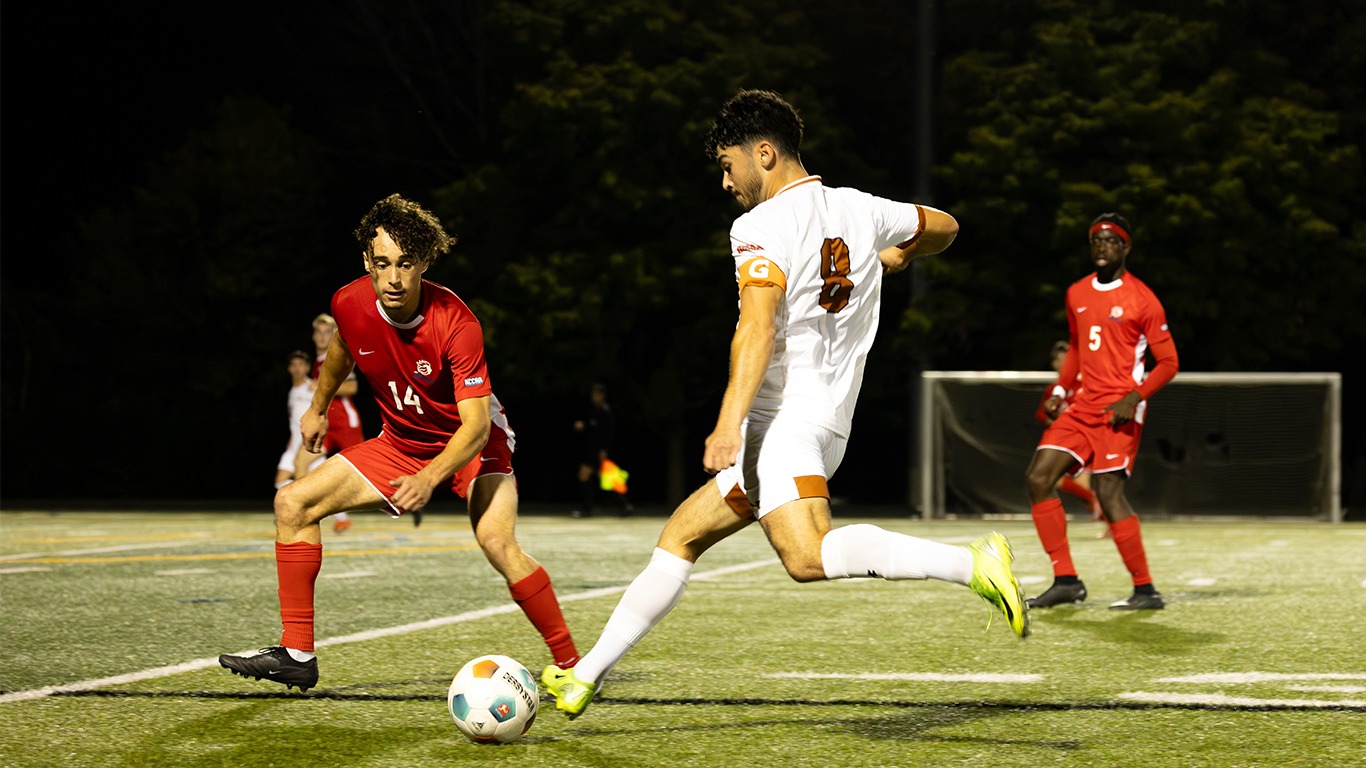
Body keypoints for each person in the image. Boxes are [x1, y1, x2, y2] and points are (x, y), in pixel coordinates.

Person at [541, 89, 1029, 720]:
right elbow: (946, 226)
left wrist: (725, 424)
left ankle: (971, 564)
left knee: (806, 557)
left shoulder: (759, 226)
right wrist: (899, 252)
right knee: (681, 537)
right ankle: (585, 676)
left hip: (786, 425)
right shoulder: (861, 208)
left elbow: (758, 327)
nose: (725, 182)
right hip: (823, 423)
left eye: (727, 164)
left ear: (763, 153)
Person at [219, 193, 579, 691]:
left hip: (476, 447)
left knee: (497, 542)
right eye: (382, 263)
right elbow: (345, 343)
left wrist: (431, 477)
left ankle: (573, 667)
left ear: (424, 263)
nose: (393, 278)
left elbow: (474, 426)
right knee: (292, 503)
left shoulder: (457, 323)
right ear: (367, 261)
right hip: (400, 446)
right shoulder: (349, 302)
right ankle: (297, 654)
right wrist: (319, 406)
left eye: (406, 264)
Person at [1024, 212, 1178, 611]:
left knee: (1109, 495)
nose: (1102, 247)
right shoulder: (1076, 292)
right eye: (1096, 240)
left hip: (1118, 411)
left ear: (1126, 247)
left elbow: (1169, 363)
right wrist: (1060, 389)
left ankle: (1146, 590)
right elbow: (1076, 348)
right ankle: (1066, 580)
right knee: (1039, 477)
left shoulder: (1143, 299)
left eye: (1111, 240)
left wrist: (1135, 397)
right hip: (1081, 406)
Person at [1034, 340, 1107, 538]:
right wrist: (1053, 420)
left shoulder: (1084, 384)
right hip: (1063, 440)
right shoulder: (1054, 389)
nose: (1064, 362)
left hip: (1084, 438)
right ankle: (1099, 510)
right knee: (1060, 482)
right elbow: (1041, 415)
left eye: (1067, 358)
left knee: (1101, 482)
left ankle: (1101, 512)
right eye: (1059, 360)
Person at [306, 313, 367, 533]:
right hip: (326, 425)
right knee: (307, 466)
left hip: (344, 424)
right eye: (318, 332)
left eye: (327, 332)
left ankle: (402, 498)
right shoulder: (316, 363)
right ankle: (331, 515)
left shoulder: (338, 357)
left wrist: (320, 388)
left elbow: (352, 388)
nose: (322, 336)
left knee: (364, 472)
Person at [571, 382, 633, 518]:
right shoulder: (594, 410)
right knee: (602, 479)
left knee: (589, 476)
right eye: (593, 394)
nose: (593, 397)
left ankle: (590, 508)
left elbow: (609, 433)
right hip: (592, 450)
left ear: (602, 395)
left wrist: (605, 449)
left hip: (598, 451)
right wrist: (583, 426)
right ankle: (623, 505)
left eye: (596, 394)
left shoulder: (605, 412)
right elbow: (592, 428)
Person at [273, 350, 326, 491]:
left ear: (307, 368)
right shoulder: (292, 391)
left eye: (301, 364)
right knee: (280, 483)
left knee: (310, 486)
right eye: (294, 365)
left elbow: (323, 414)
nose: (297, 368)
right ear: (289, 368)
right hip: (294, 445)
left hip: (309, 443)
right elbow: (294, 419)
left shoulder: (312, 387)